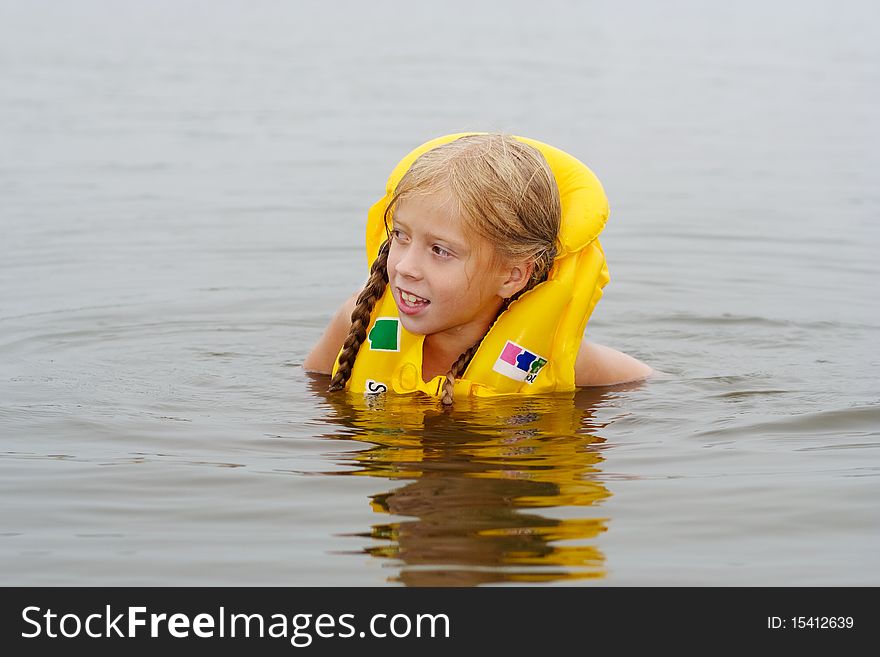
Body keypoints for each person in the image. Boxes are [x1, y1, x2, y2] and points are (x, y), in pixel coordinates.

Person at [304, 132, 651, 405]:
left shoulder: (557, 358)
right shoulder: (356, 322)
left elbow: (646, 382)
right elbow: (314, 393)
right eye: (400, 235)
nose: (406, 267)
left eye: (440, 250)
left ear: (512, 275)